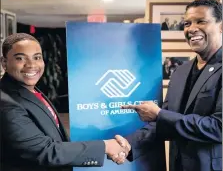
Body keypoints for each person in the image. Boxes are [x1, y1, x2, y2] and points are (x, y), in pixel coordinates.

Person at [0, 33, 130, 171]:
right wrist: (106, 146)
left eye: (37, 57)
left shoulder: (30, 89)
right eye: (20, 58)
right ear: (4, 62)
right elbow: (44, 151)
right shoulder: (6, 102)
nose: (31, 65)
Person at [119, 0, 222, 171]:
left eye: (201, 21)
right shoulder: (181, 71)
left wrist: (159, 114)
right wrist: (128, 145)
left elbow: (218, 128)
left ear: (221, 26)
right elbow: (166, 120)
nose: (192, 28)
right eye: (187, 23)